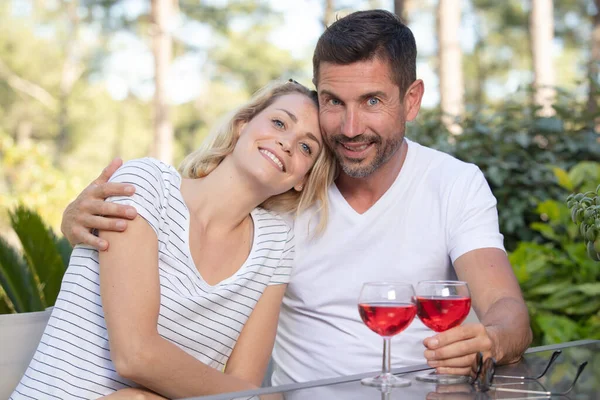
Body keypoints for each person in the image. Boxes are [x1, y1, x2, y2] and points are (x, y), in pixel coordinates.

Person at [60, 9, 532, 388]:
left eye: (371, 101)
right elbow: (196, 201)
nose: (349, 128)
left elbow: (508, 312)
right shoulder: (283, 193)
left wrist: (491, 339)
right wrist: (77, 219)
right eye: (333, 101)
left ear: (410, 101)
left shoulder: (454, 183)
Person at [10, 80, 335, 400]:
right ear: (241, 125)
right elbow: (134, 355)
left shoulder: (275, 245)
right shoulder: (147, 185)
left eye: (307, 147)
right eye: (279, 123)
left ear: (302, 179)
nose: (288, 143)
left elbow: (243, 388)